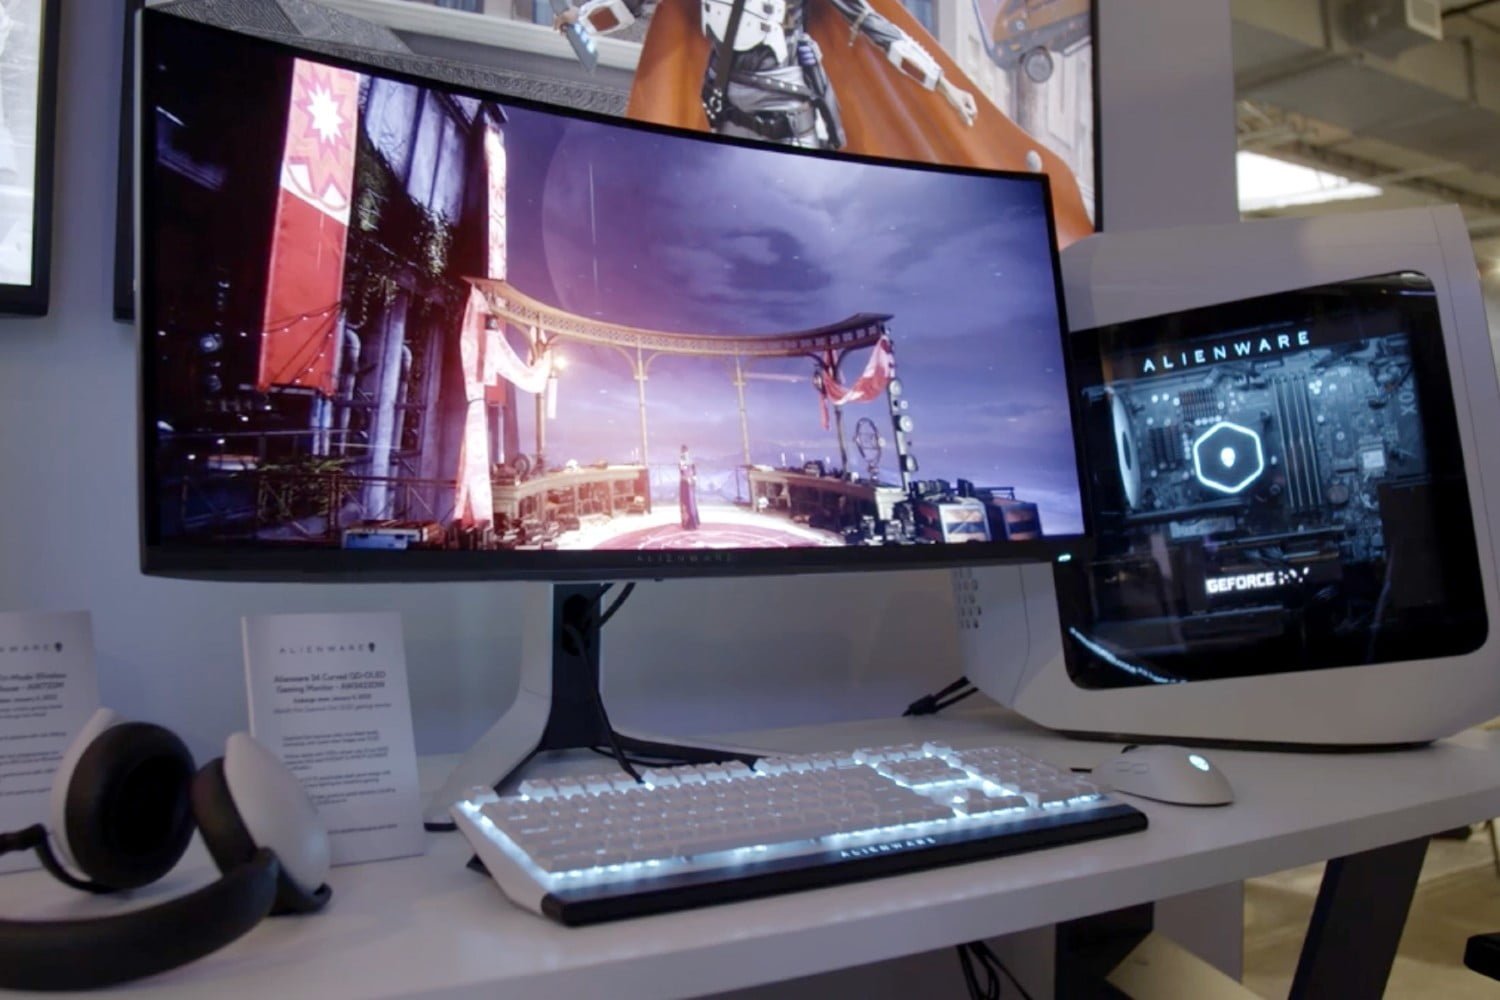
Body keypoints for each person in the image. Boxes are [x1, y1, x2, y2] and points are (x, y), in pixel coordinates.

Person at [678, 444, 701, 530]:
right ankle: (689, 522)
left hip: (688, 483)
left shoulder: (687, 459)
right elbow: (683, 471)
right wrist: (690, 478)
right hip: (686, 483)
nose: (684, 453)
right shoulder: (683, 459)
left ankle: (691, 522)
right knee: (688, 502)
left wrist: (693, 478)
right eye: (683, 451)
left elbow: (691, 470)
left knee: (690, 502)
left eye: (685, 451)